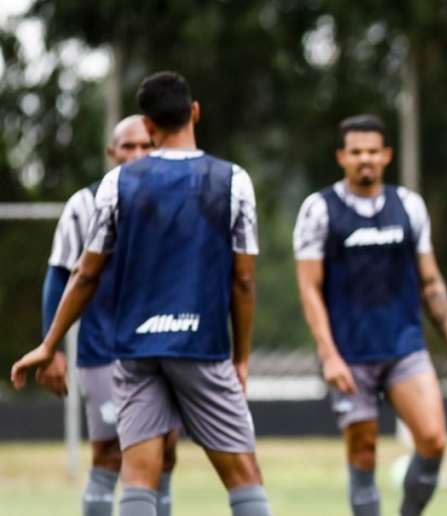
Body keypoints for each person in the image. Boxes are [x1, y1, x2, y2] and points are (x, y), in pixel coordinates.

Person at [11, 71, 271, 516]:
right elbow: (243, 280)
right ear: (195, 112)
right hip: (201, 347)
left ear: (148, 127)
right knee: (243, 478)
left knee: (138, 478)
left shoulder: (115, 185)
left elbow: (85, 274)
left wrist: (49, 344)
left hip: (134, 352)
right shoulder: (232, 181)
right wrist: (241, 356)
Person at [294, 114, 447, 516]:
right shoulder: (319, 210)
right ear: (341, 156)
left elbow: (431, 283)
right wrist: (328, 354)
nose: (365, 159)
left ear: (387, 155)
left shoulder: (408, 205)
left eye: (373, 151)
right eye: (356, 152)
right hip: (349, 354)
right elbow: (309, 288)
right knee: (363, 453)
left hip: (403, 348)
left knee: (433, 439)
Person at [37, 115, 177, 516]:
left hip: (164, 349)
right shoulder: (83, 205)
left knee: (163, 455)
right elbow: (59, 274)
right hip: (105, 349)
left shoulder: (176, 201)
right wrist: (51, 347)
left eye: (145, 146)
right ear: (111, 152)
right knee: (111, 453)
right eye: (127, 146)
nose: (136, 154)